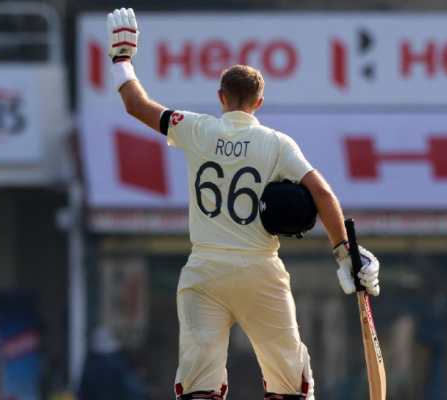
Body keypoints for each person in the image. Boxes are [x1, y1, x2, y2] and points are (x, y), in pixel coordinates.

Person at [106, 8, 381, 400]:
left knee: (199, 389)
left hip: (204, 272)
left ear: (221, 98)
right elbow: (322, 193)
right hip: (259, 273)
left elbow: (136, 105)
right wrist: (344, 254)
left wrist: (122, 60)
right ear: (259, 101)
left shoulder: (195, 127)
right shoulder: (276, 143)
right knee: (289, 387)